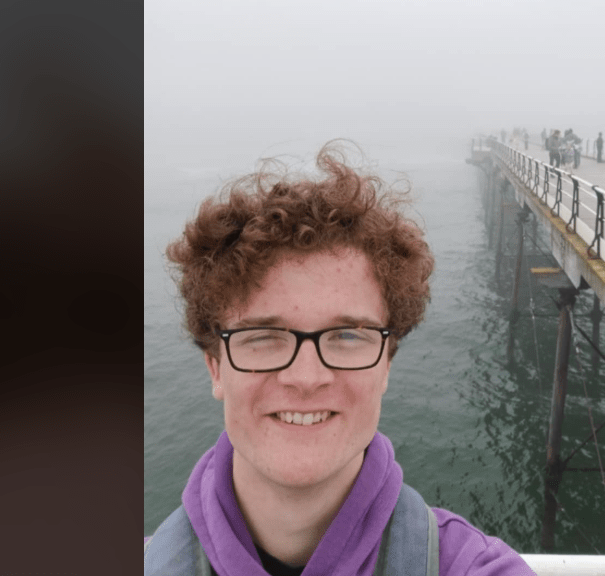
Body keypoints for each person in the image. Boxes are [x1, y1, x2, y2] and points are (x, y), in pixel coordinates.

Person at [145, 146, 534, 576]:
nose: (306, 377)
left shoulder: (470, 567)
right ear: (215, 366)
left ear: (387, 362)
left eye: (347, 335)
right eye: (264, 337)